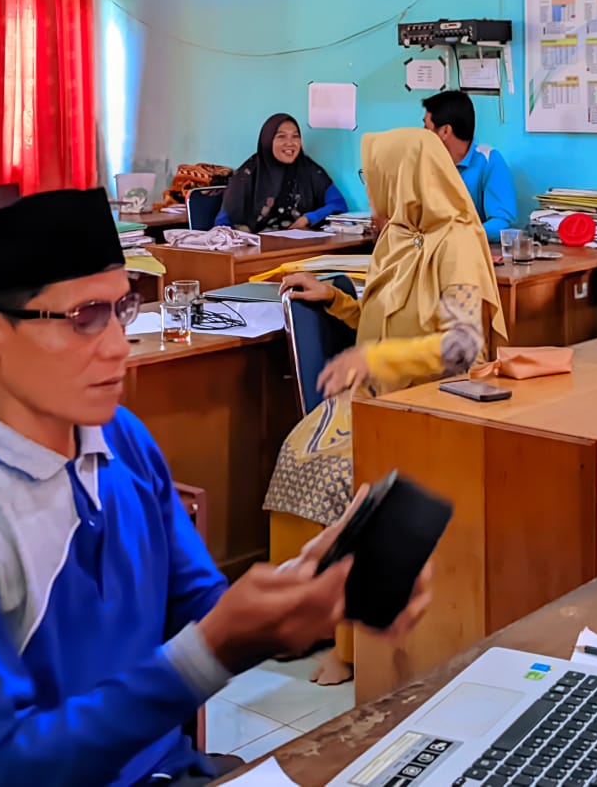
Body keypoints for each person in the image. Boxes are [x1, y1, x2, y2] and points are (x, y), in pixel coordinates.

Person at [0, 188, 429, 787]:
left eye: (120, 308)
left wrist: (300, 602)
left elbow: (196, 605)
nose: (117, 346)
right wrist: (213, 649)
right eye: (84, 318)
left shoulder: (119, 437)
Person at [265, 128, 508, 685]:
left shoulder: (456, 241)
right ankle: (302, 615)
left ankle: (352, 643)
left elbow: (462, 346)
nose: (368, 185)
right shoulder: (399, 233)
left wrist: (375, 360)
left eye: (373, 174)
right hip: (376, 396)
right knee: (298, 451)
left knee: (347, 479)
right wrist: (335, 298)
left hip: (434, 397)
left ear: (404, 177)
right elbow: (382, 318)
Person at [216, 113, 348, 232]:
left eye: (295, 136)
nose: (290, 143)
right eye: (281, 136)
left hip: (299, 245)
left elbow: (338, 204)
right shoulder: (248, 174)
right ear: (268, 141)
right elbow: (222, 223)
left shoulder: (308, 169)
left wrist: (308, 218)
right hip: (255, 247)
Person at [422, 89, 518, 237]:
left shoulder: (489, 161)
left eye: (426, 128)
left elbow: (502, 222)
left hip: (473, 246)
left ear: (445, 131)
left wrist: (460, 236)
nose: (422, 135)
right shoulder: (425, 163)